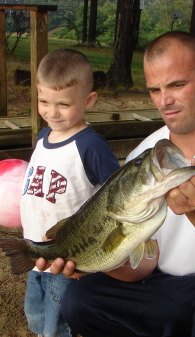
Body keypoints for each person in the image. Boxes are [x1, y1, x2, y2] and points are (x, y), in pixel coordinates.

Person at [37, 32, 195, 336]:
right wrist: (97, 260)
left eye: (177, 85)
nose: (165, 101)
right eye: (154, 90)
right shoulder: (142, 158)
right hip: (165, 285)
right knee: (82, 299)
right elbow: (144, 264)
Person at [20, 48, 120, 337]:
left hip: (69, 259)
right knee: (36, 315)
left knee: (58, 323)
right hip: (38, 252)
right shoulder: (42, 137)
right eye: (44, 101)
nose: (52, 112)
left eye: (63, 104)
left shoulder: (91, 145)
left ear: (88, 100)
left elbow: (116, 191)